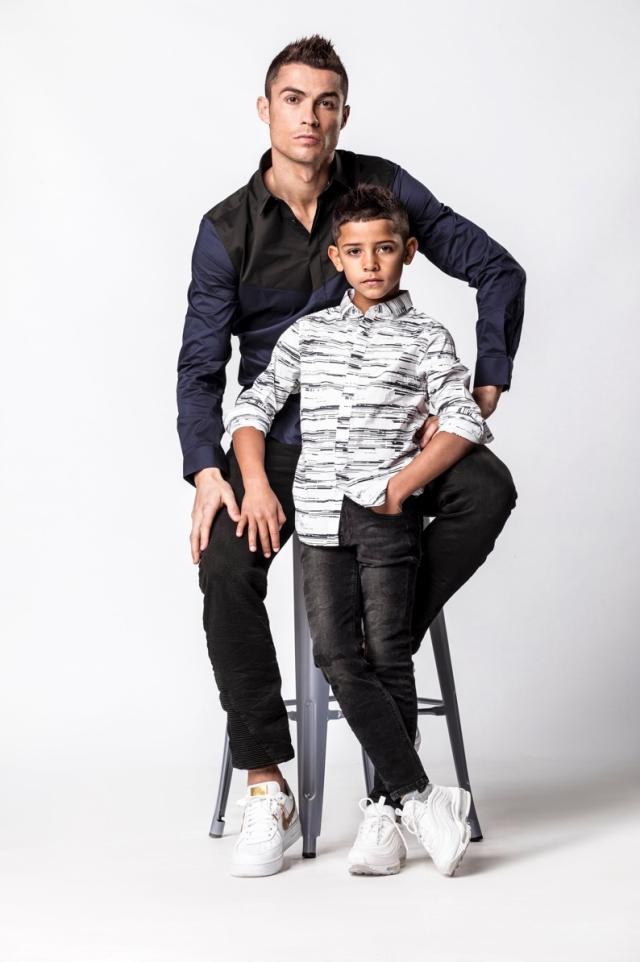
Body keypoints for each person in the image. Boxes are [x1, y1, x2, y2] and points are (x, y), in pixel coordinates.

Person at [176, 35, 524, 876]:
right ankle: (268, 784)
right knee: (223, 565)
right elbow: (202, 368)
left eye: (326, 102)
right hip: (281, 446)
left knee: (488, 489)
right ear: (266, 110)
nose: (310, 117)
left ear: (343, 114)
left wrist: (481, 389)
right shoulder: (225, 230)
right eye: (294, 100)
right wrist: (214, 471)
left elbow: (498, 270)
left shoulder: (381, 191)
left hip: (384, 440)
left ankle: (374, 641)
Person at [224, 184, 493, 877]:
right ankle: (421, 797)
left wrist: (401, 487)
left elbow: (464, 417)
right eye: (355, 251)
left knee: (388, 654)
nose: (370, 263)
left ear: (408, 252)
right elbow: (253, 406)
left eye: (384, 249)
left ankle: (382, 811)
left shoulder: (426, 336)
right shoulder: (308, 334)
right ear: (336, 258)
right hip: (317, 513)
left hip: (383, 516)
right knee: (338, 657)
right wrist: (255, 481)